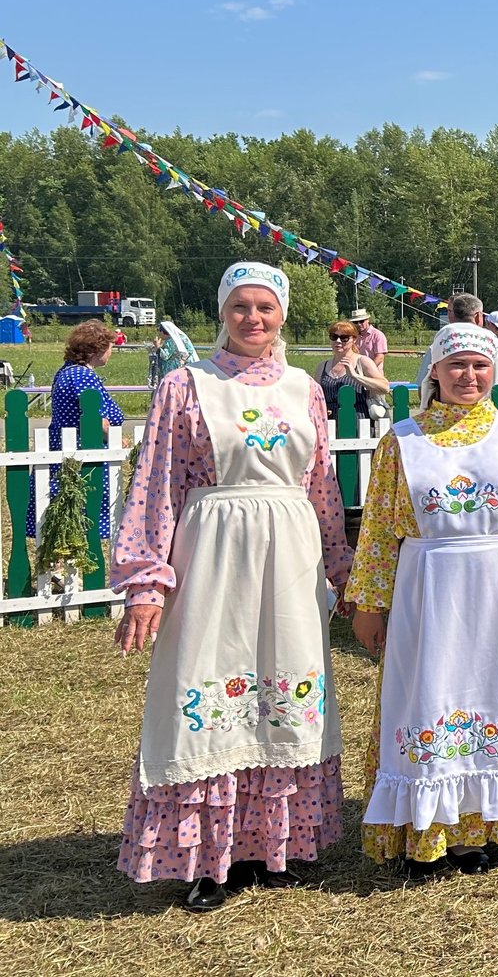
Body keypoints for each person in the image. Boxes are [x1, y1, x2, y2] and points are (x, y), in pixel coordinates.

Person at [112, 262, 351, 912]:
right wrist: (145, 583)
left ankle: (271, 850)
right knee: (211, 687)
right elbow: (156, 487)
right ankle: (206, 860)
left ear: (282, 315)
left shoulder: (306, 389)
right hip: (211, 556)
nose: (253, 319)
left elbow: (321, 484)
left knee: (283, 686)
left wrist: (341, 566)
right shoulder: (185, 387)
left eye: (265, 307)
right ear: (222, 312)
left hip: (290, 558)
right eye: (241, 307)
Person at [349, 323, 498, 877]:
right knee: (427, 697)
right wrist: (369, 603)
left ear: (495, 372)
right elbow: (378, 531)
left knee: (497, 696)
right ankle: (428, 831)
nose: (468, 376)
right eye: (457, 366)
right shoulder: (403, 439)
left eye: (480, 365)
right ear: (434, 373)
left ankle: (486, 828)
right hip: (429, 590)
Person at [33, 319, 126, 540]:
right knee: (77, 515)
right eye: (110, 347)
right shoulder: (83, 376)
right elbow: (96, 419)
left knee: (64, 516)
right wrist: (114, 437)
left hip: (66, 450)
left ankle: (57, 567)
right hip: (81, 455)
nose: (111, 352)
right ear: (97, 349)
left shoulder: (67, 371)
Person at [416, 294, 498, 389]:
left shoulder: (441, 343)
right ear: (478, 317)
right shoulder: (497, 344)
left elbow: (424, 387)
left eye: (480, 365)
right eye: (458, 364)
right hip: (490, 402)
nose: (470, 376)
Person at [317, 320, 391, 420]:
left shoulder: (363, 361)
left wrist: (356, 376)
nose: (338, 341)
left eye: (344, 338)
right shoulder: (323, 366)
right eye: (334, 337)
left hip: (359, 423)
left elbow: (385, 387)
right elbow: (315, 396)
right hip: (329, 424)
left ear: (354, 340)